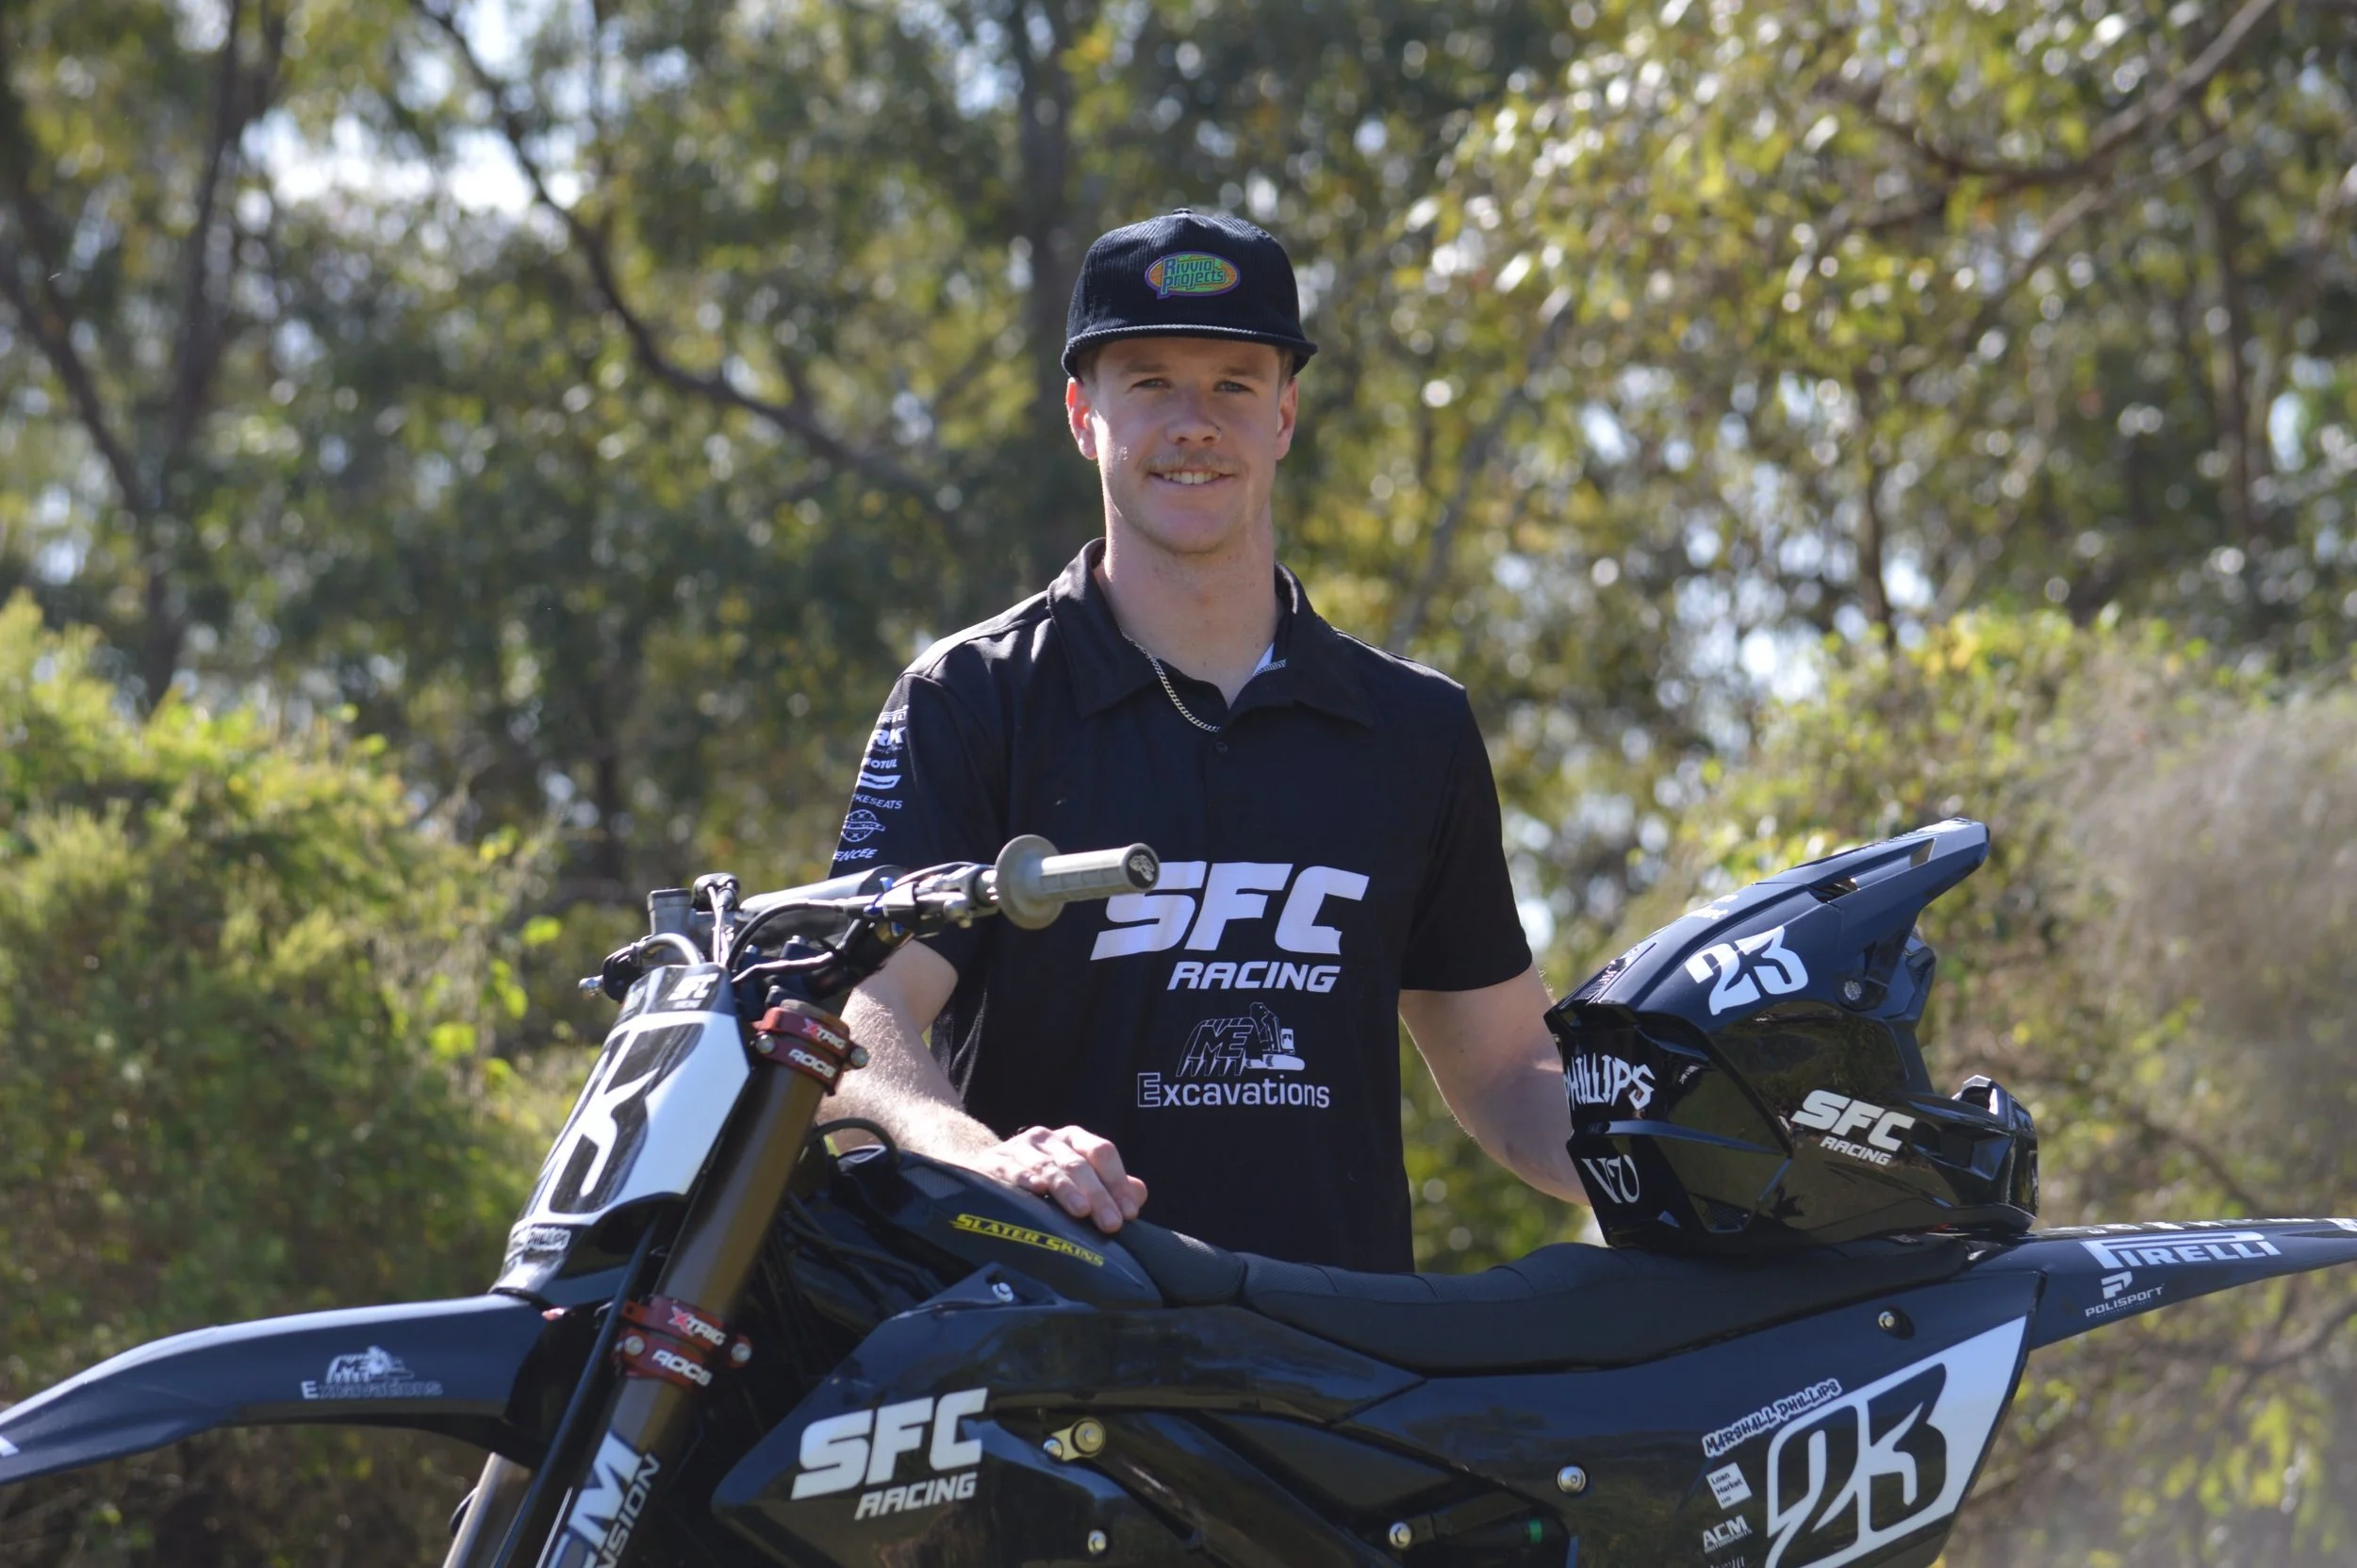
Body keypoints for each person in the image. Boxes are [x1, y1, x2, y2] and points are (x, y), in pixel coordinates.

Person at [826, 210, 1583, 1272]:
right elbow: (852, 1019)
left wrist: (1706, 1175)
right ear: (1083, 414)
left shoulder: (1413, 727)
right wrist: (983, 1157)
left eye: (1233, 383)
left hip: (1337, 1379)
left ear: (1284, 414)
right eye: (1150, 383)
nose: (1195, 422)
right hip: (1039, 1361)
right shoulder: (972, 699)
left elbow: (1508, 1072)